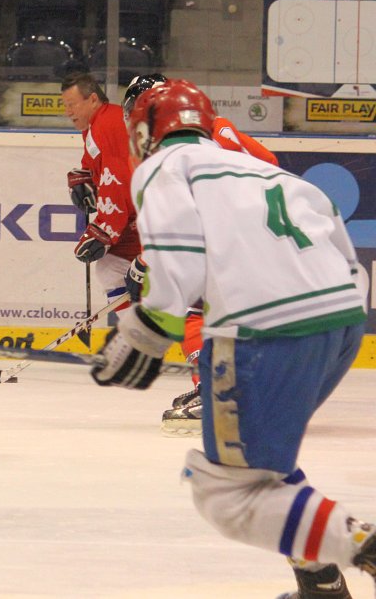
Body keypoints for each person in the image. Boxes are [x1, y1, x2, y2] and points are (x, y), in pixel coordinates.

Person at [91, 79, 374, 599]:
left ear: (145, 133)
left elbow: (179, 260)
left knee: (228, 495)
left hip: (266, 330)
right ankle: (321, 585)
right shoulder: (265, 170)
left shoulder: (162, 167)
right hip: (343, 322)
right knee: (265, 468)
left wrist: (146, 334)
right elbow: (343, 252)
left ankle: (363, 546)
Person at [120, 73, 281, 434]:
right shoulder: (210, 130)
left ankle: (216, 392)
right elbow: (268, 163)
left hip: (236, 237)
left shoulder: (178, 147)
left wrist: (146, 262)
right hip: (250, 235)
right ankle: (227, 388)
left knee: (191, 307)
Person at [59, 72, 140, 320]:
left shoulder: (107, 126)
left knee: (114, 269)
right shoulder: (98, 124)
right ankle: (139, 333)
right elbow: (98, 164)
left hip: (148, 218)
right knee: (112, 268)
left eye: (72, 105)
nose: (68, 112)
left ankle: (140, 336)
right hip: (140, 213)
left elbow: (117, 180)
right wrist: (86, 176)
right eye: (65, 106)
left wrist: (105, 230)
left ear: (93, 99)